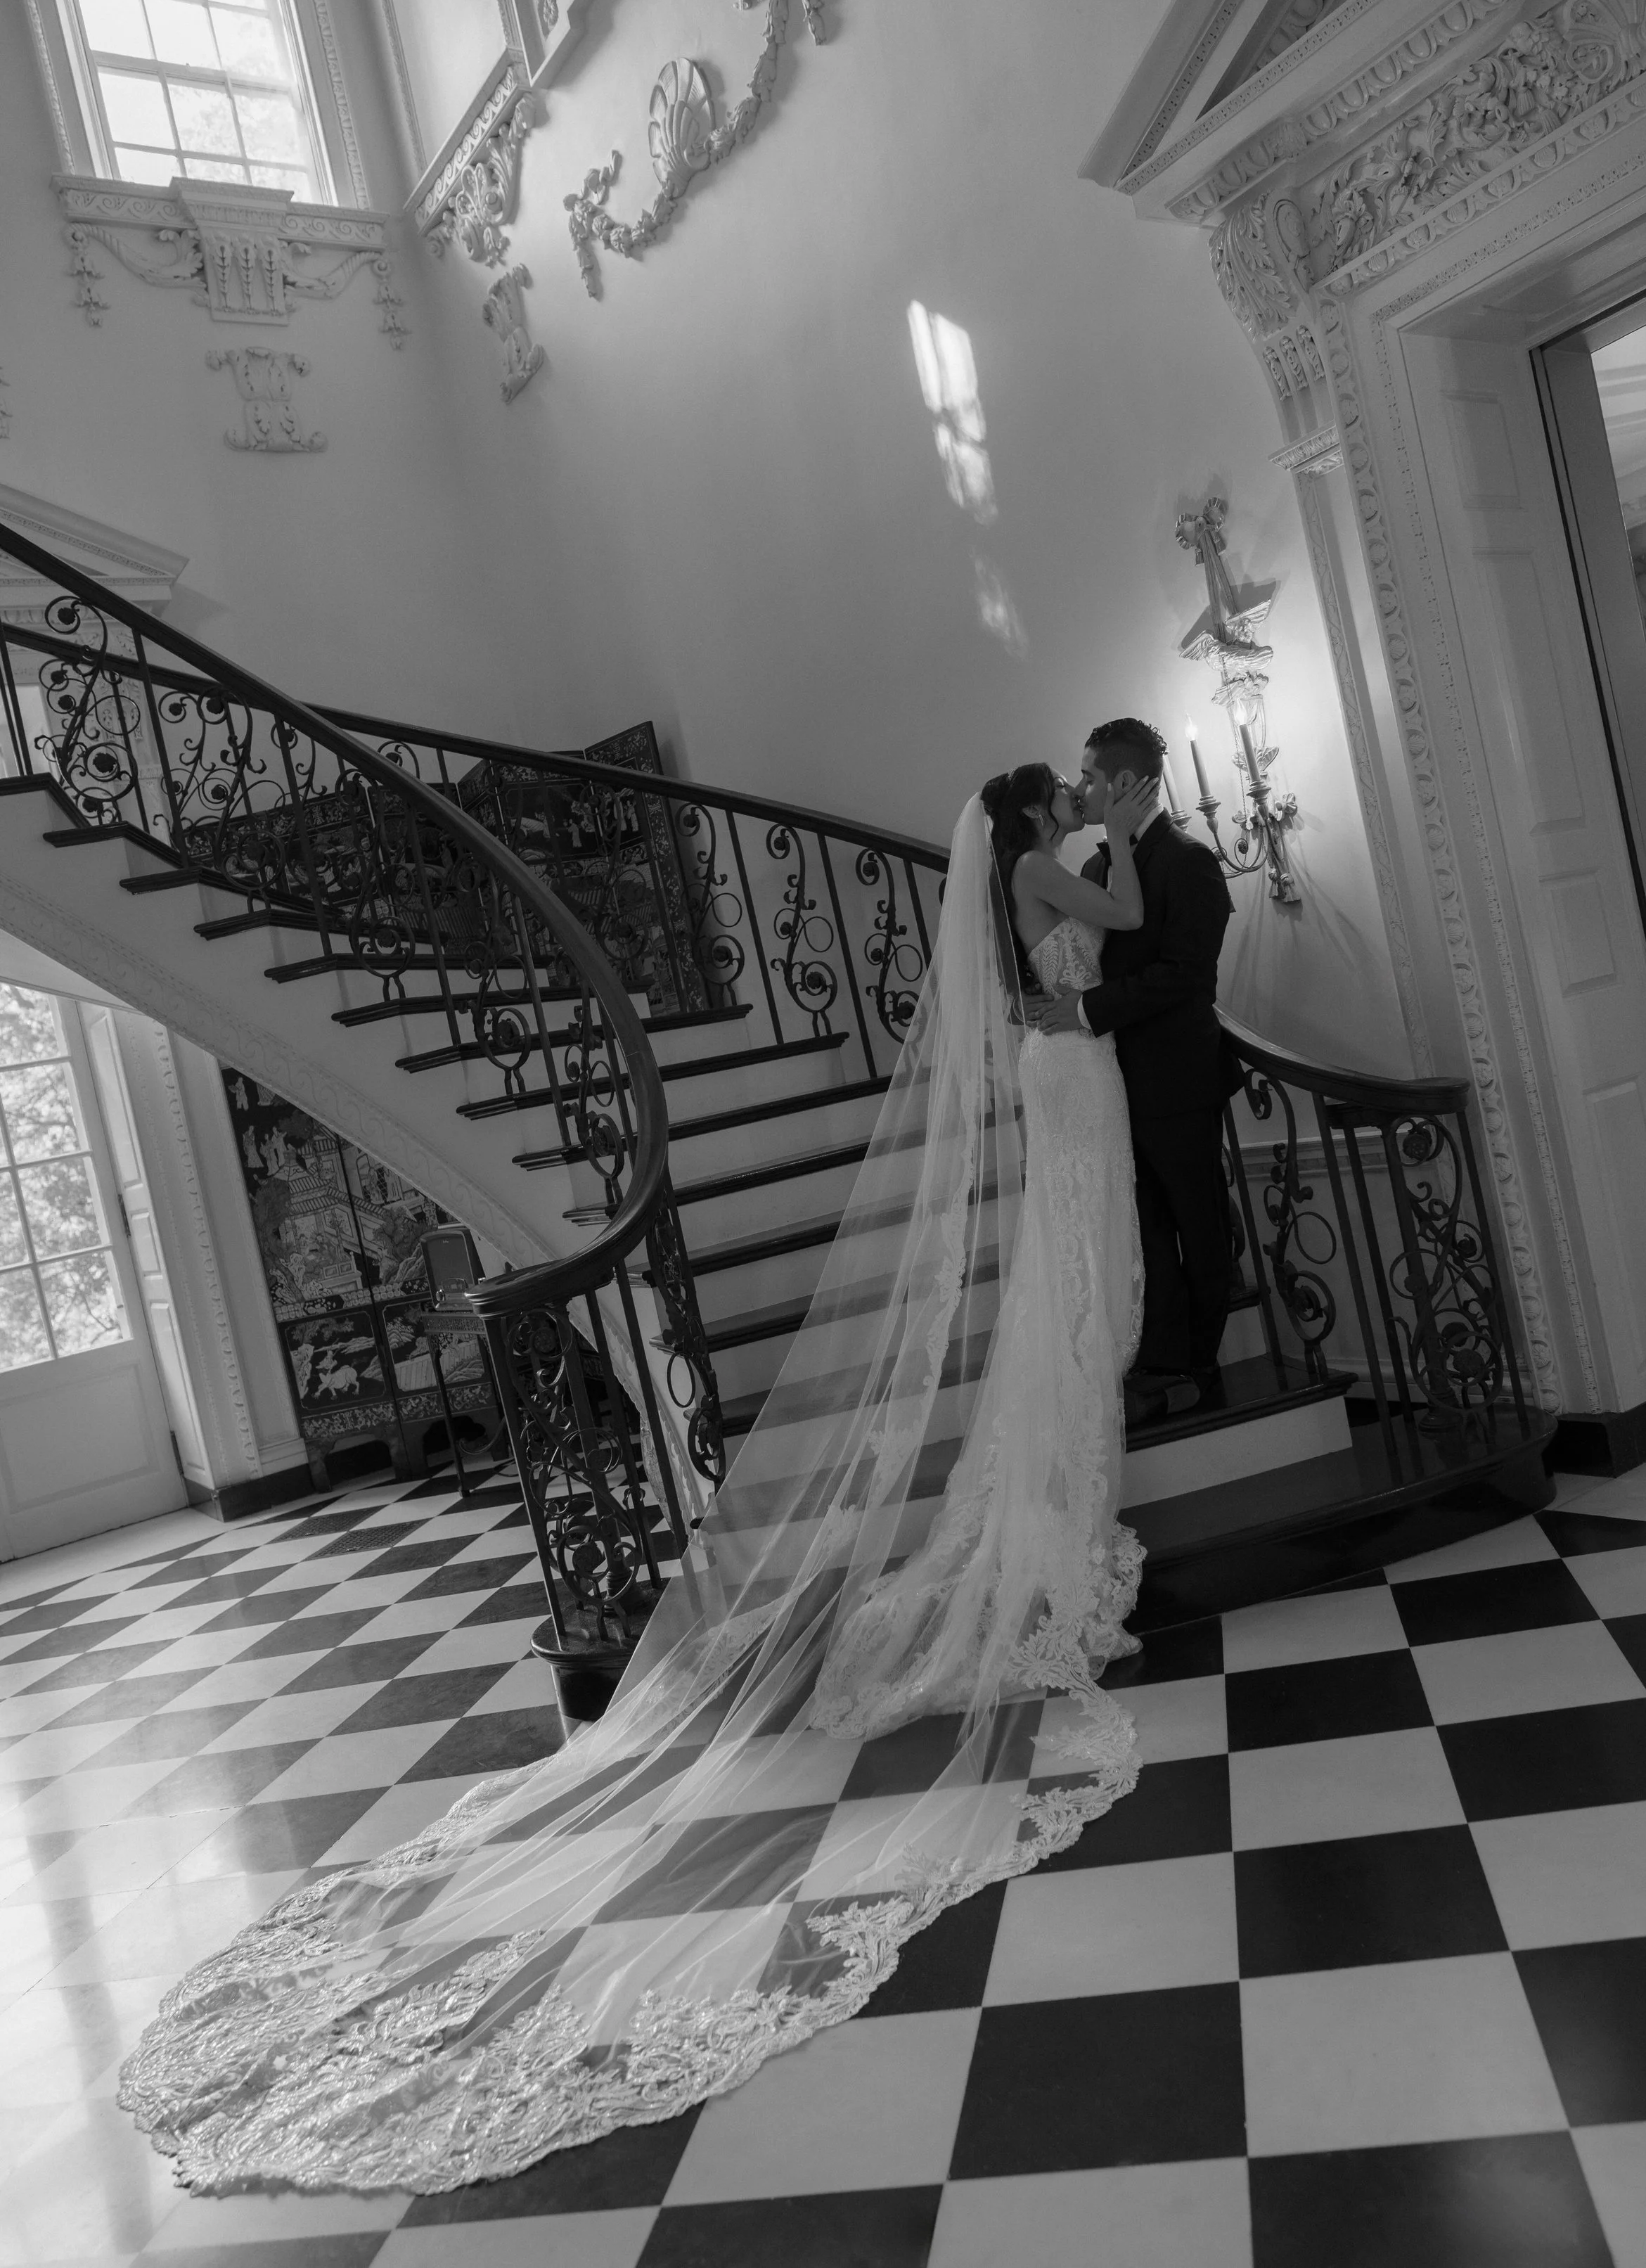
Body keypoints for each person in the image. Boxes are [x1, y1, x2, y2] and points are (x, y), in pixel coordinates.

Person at [119, 767, 1164, 2197]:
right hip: (1063, 1076)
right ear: (1042, 811)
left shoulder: (1015, 879)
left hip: (1060, 1072)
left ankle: (1059, 1471)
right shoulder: (1055, 869)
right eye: (1063, 797)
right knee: (1063, 1279)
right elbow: (1114, 919)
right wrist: (1120, 855)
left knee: (1068, 1280)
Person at [1037, 719, 1240, 1427]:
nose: (1081, 788)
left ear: (1124, 782)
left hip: (1177, 1080)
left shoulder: (1188, 861)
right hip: (1113, 1082)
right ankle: (1161, 1357)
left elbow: (1186, 976)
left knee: (1200, 1222)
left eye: (1089, 776)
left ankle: (1201, 1361)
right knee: (1146, 1229)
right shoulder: (1098, 868)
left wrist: (1090, 1010)